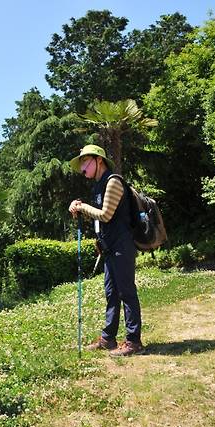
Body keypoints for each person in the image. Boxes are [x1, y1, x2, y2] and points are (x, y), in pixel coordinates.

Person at [69, 145, 144, 356]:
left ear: (98, 160)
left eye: (85, 161)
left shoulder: (113, 182)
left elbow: (106, 215)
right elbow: (102, 222)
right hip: (110, 248)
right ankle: (108, 338)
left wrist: (82, 207)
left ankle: (133, 341)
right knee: (111, 293)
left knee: (126, 292)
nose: (82, 167)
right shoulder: (98, 186)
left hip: (123, 246)